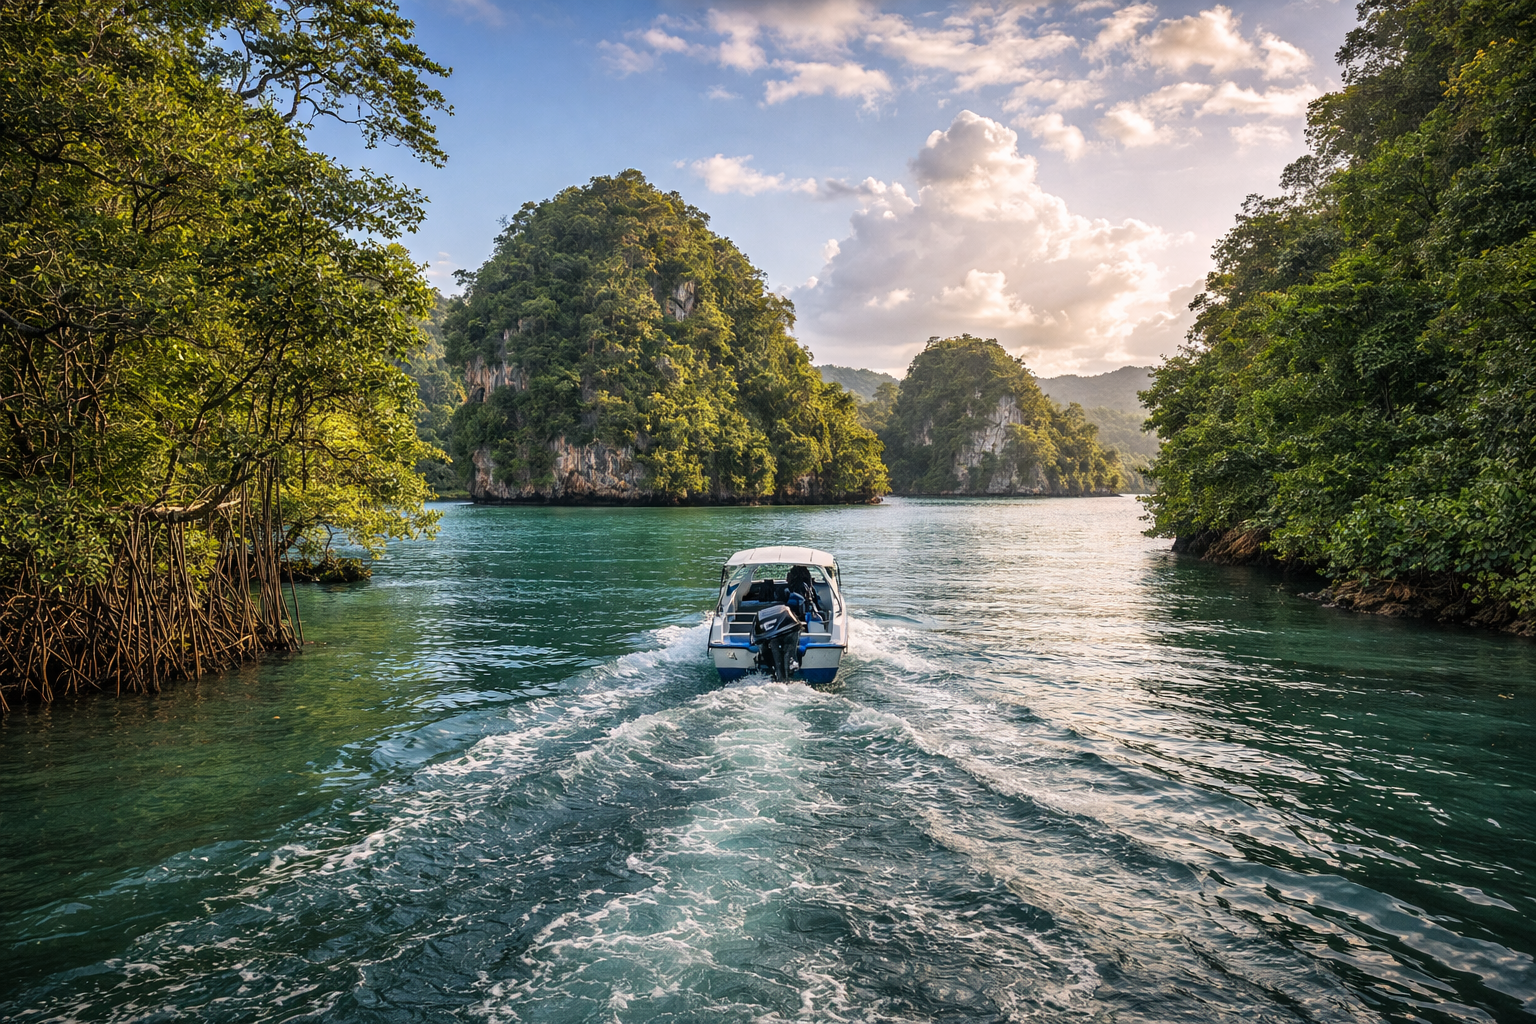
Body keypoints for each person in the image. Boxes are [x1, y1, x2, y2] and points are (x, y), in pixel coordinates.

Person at [752, 600, 803, 681]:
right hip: (787, 632)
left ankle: (779, 677)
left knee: (778, 665)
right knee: (787, 652)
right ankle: (788, 673)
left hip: (775, 636)